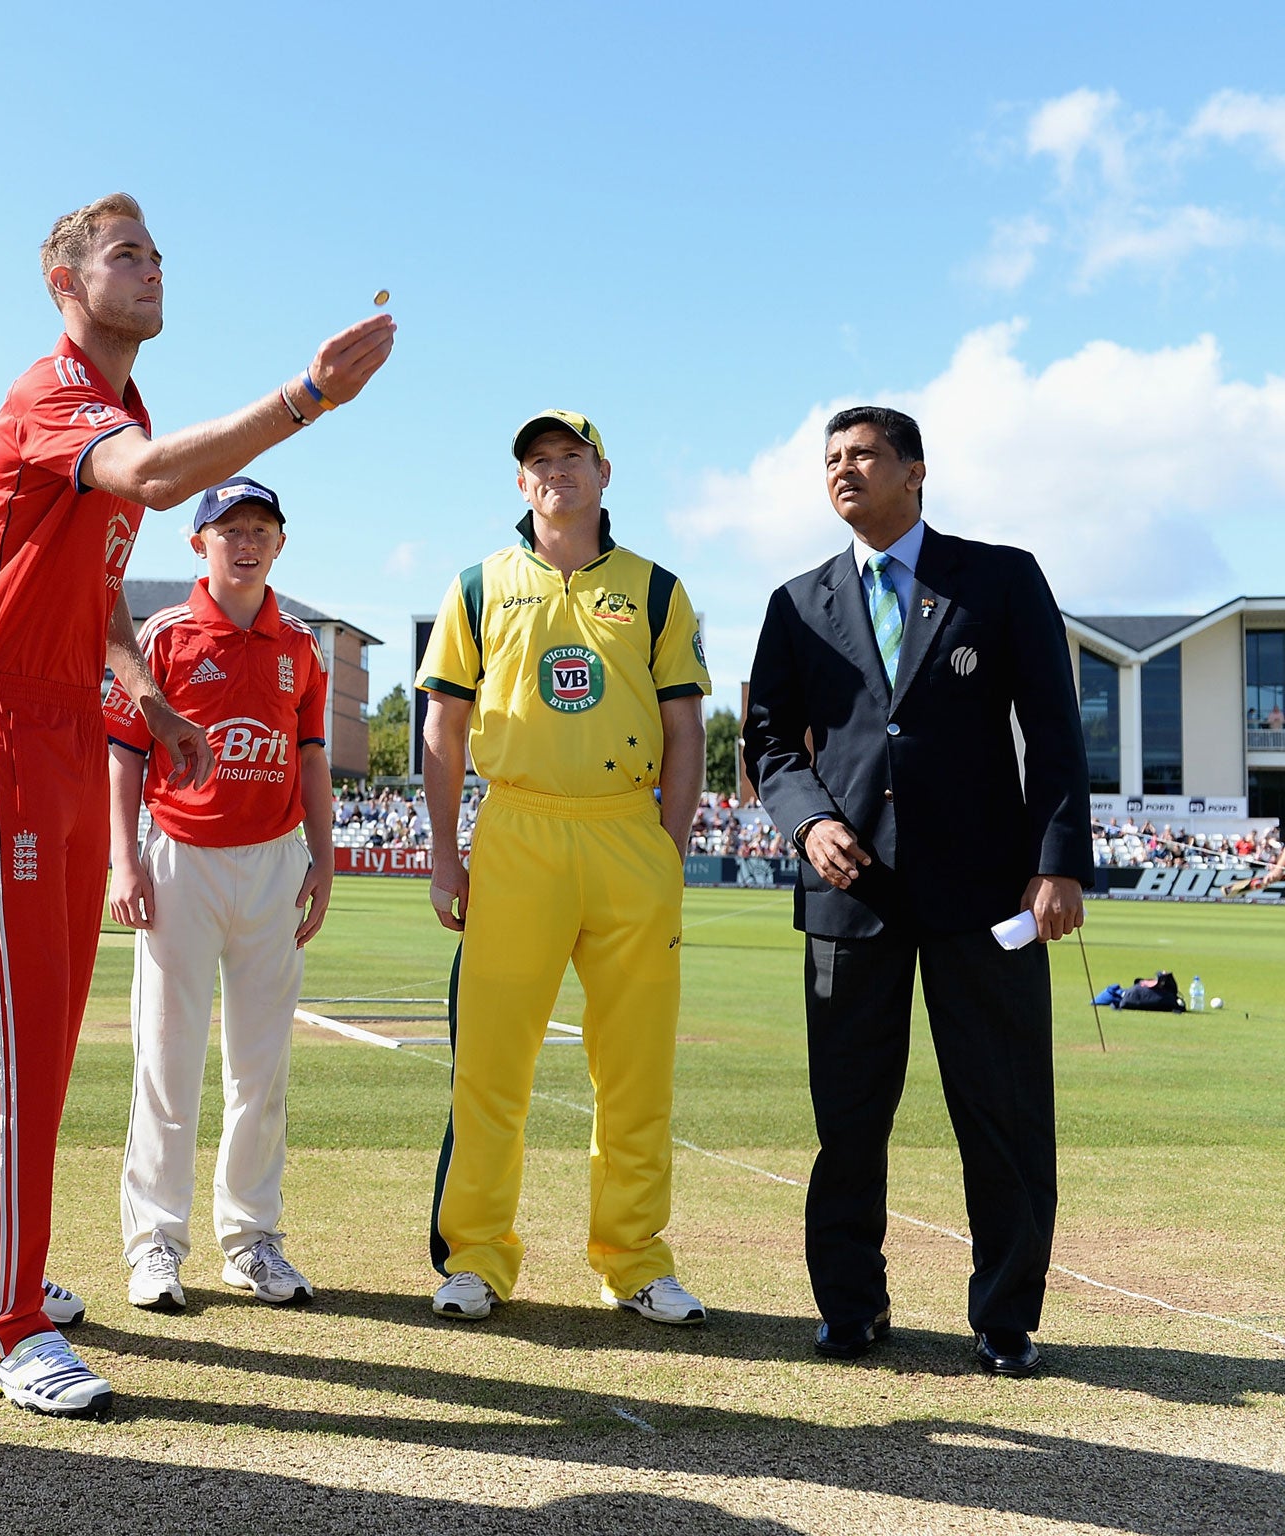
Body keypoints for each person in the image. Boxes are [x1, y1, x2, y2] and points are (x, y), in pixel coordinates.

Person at [0, 193, 393, 1419]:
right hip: (2, 717)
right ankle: (2, 1324)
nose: (151, 268)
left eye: (157, 252)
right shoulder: (58, 397)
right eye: (125, 254)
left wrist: (152, 702)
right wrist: (305, 400)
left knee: (49, 1020)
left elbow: (104, 595)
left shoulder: (116, 404)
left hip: (77, 717)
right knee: (21, 1030)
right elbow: (154, 473)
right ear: (63, 280)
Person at [743, 405, 1090, 1378]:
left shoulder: (1000, 578)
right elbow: (768, 746)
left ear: (914, 471)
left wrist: (1057, 862)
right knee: (847, 1117)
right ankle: (849, 1308)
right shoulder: (796, 602)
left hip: (987, 897)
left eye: (862, 455)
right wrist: (808, 822)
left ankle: (1005, 1317)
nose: (841, 471)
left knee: (1003, 1110)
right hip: (849, 900)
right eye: (829, 459)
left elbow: (1053, 732)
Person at [417, 410, 711, 1326]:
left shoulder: (656, 590)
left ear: (604, 472)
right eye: (539, 463)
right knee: (491, 1063)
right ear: (521, 484)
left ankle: (634, 1260)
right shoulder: (479, 586)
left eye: (571, 459)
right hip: (519, 832)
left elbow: (684, 728)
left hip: (627, 833)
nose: (556, 474)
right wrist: (443, 853)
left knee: (634, 1068)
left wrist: (665, 846)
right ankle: (475, 1255)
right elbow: (443, 728)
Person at [105, 477, 332, 1314]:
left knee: (260, 1068)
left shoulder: (300, 643)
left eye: (261, 528)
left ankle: (252, 1241)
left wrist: (324, 856)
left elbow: (311, 756)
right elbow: (125, 752)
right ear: (198, 543)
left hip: (273, 862)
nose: (246, 541)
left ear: (280, 543)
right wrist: (124, 862)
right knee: (167, 1065)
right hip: (181, 861)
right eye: (228, 527)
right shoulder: (163, 635)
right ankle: (156, 1246)